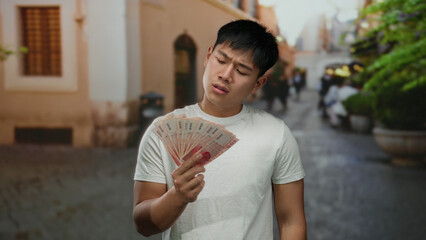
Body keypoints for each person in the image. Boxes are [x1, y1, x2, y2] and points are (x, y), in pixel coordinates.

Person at [133, 20, 306, 240]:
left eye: (242, 71)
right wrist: (177, 196)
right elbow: (142, 224)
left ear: (258, 83)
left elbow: (292, 222)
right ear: (207, 56)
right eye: (221, 60)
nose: (225, 75)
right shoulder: (161, 132)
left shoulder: (277, 135)